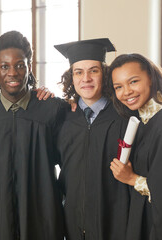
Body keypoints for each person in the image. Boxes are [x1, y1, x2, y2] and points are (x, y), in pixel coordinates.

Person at [0, 30, 67, 240]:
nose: (13, 73)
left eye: (20, 65)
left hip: (42, 216)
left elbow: (68, 161)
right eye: (5, 66)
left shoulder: (52, 109)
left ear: (29, 67)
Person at [109, 53, 162, 239]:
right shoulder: (145, 119)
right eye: (118, 87)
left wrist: (131, 178)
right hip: (146, 220)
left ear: (151, 78)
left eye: (133, 81)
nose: (126, 92)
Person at [54, 38, 131, 240]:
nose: (85, 78)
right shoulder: (62, 118)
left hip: (115, 224)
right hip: (72, 224)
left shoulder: (124, 117)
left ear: (104, 74)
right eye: (78, 72)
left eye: (93, 71)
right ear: (71, 77)